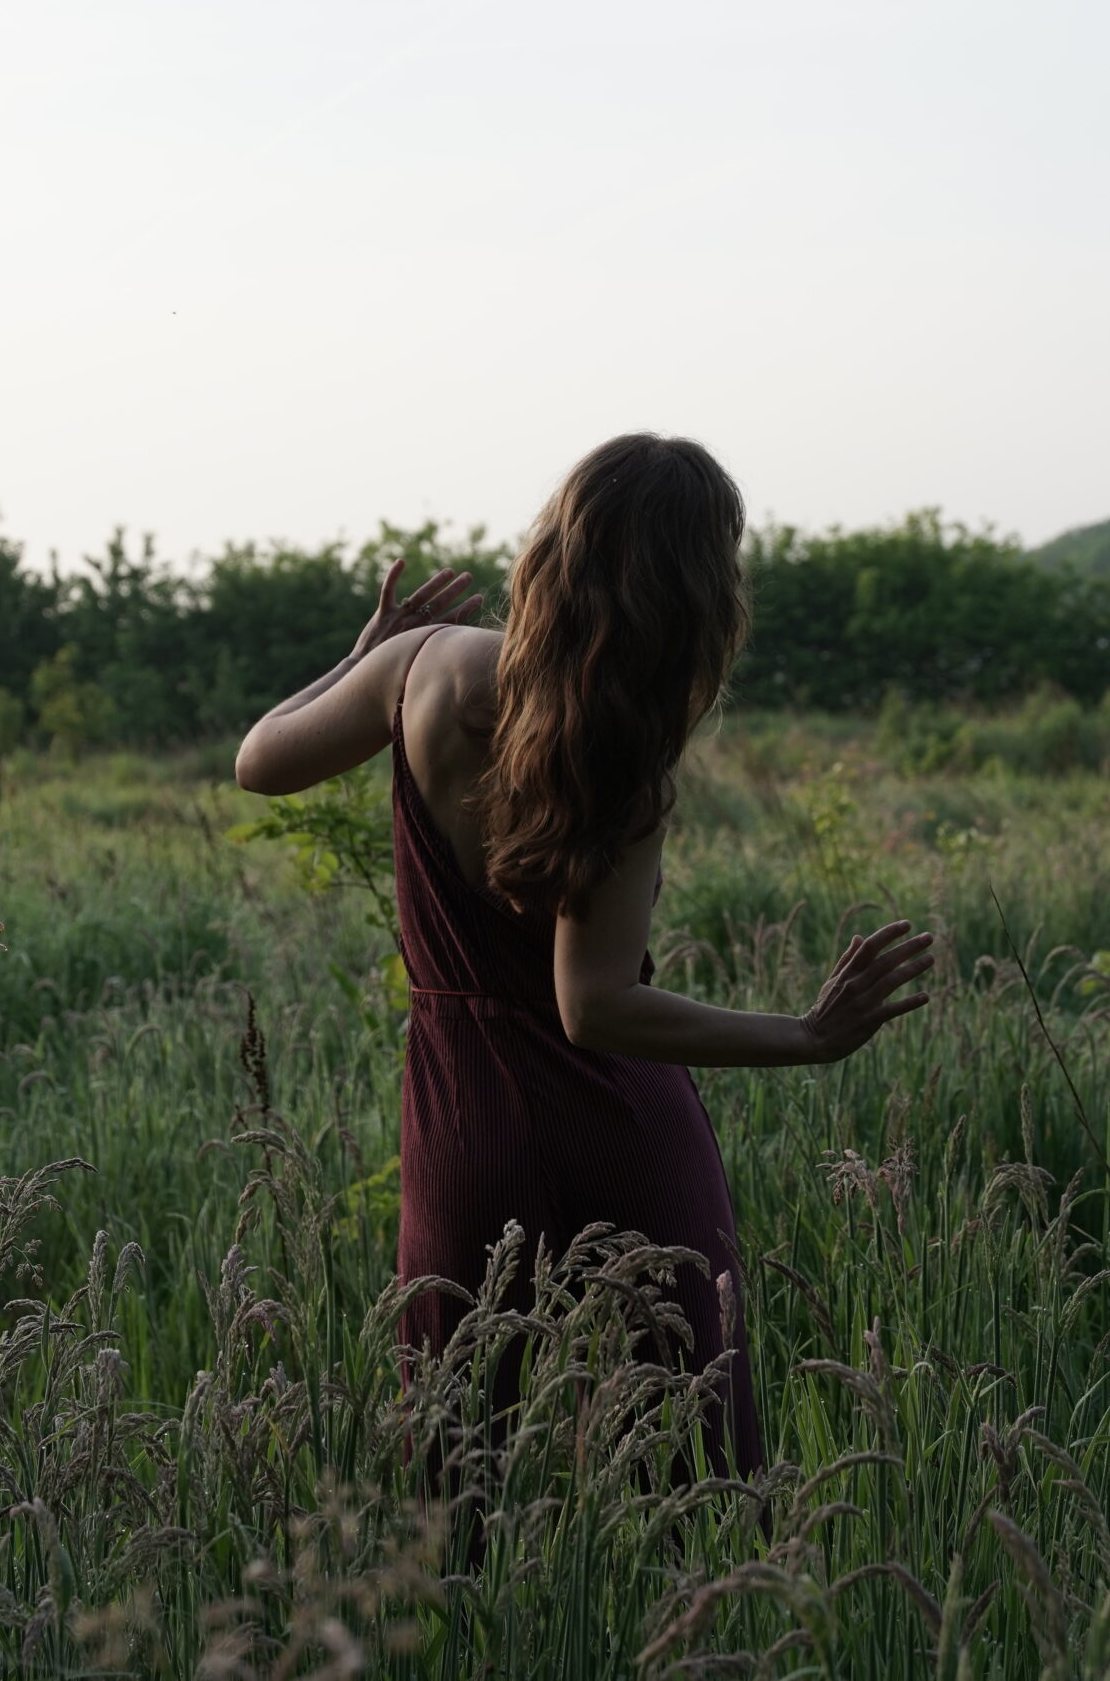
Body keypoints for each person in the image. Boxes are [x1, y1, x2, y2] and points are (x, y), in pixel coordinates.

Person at [235, 433, 934, 1477]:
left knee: (458, 1468)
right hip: (615, 1123)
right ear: (693, 593)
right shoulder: (619, 750)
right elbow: (594, 1009)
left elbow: (258, 763)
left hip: (465, 1117)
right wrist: (806, 1036)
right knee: (688, 1480)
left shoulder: (421, 667)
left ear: (554, 546)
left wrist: (364, 649)